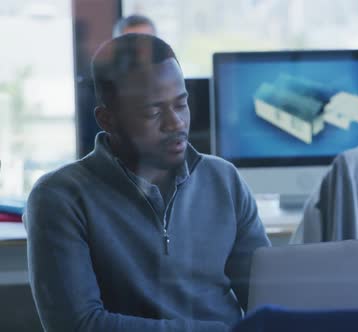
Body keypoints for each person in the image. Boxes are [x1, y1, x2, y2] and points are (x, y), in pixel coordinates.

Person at [25, 34, 270, 331]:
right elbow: (78, 326)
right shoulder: (60, 198)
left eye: (181, 105)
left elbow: (268, 302)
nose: (176, 123)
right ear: (107, 119)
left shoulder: (224, 180)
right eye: (153, 111)